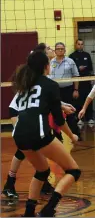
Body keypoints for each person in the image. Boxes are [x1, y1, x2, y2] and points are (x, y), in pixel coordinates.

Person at [10, 51, 80, 217]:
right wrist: (72, 136)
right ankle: (49, 209)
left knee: (42, 171)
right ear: (46, 66)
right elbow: (59, 121)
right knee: (73, 171)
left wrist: (61, 105)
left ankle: (29, 212)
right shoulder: (50, 85)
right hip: (38, 133)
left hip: (19, 134)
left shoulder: (25, 83)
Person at [49, 42, 81, 141]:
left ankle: (76, 134)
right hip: (55, 91)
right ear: (55, 50)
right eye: (58, 49)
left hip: (68, 90)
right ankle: (57, 136)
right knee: (56, 113)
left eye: (62, 49)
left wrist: (76, 90)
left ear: (65, 50)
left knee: (70, 112)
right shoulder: (51, 62)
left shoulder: (70, 61)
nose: (60, 50)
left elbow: (75, 76)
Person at [69, 39, 94, 125]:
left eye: (82, 44)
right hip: (77, 82)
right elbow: (70, 70)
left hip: (86, 81)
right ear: (76, 45)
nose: (80, 45)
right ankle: (79, 119)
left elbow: (90, 68)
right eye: (78, 44)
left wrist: (91, 79)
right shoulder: (71, 56)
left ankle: (90, 118)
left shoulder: (87, 55)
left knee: (89, 99)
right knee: (78, 100)